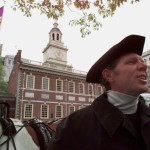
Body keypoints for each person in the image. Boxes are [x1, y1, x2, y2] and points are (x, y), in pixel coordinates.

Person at [47, 35, 150, 150]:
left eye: (142, 61)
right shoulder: (73, 127)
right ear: (109, 75)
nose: (144, 66)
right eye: (132, 62)